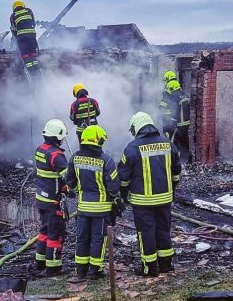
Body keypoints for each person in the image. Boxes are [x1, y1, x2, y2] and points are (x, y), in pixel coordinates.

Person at [118, 111, 181, 277]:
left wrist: (123, 195)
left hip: (142, 201)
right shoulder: (168, 144)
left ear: (136, 127)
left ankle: (150, 268)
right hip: (165, 199)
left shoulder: (132, 148)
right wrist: (172, 190)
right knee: (163, 230)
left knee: (146, 232)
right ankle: (166, 265)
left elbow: (123, 178)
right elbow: (176, 171)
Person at [65, 125, 120, 282]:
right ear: (98, 141)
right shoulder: (106, 160)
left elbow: (70, 182)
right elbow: (114, 186)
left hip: (83, 208)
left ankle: (80, 272)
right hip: (101, 209)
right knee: (98, 239)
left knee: (82, 238)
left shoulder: (75, 158)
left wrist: (79, 192)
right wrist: (114, 197)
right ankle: (95, 271)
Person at [33, 119, 69, 274]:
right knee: (56, 234)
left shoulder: (39, 150)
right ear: (57, 137)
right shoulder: (57, 155)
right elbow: (69, 178)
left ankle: (40, 263)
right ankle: (53, 268)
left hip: (41, 198)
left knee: (44, 232)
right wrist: (71, 189)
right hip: (53, 201)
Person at [158, 76, 191, 162]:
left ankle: (172, 161)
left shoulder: (174, 97)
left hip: (179, 125)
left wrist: (172, 121)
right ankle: (185, 160)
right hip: (186, 125)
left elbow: (175, 111)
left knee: (173, 143)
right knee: (184, 142)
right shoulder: (184, 96)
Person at [10, 0, 40, 75]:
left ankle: (30, 69)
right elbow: (33, 23)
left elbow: (14, 29)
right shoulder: (29, 11)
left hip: (21, 37)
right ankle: (36, 67)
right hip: (32, 35)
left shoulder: (13, 16)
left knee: (25, 53)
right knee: (33, 51)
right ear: (23, 5)